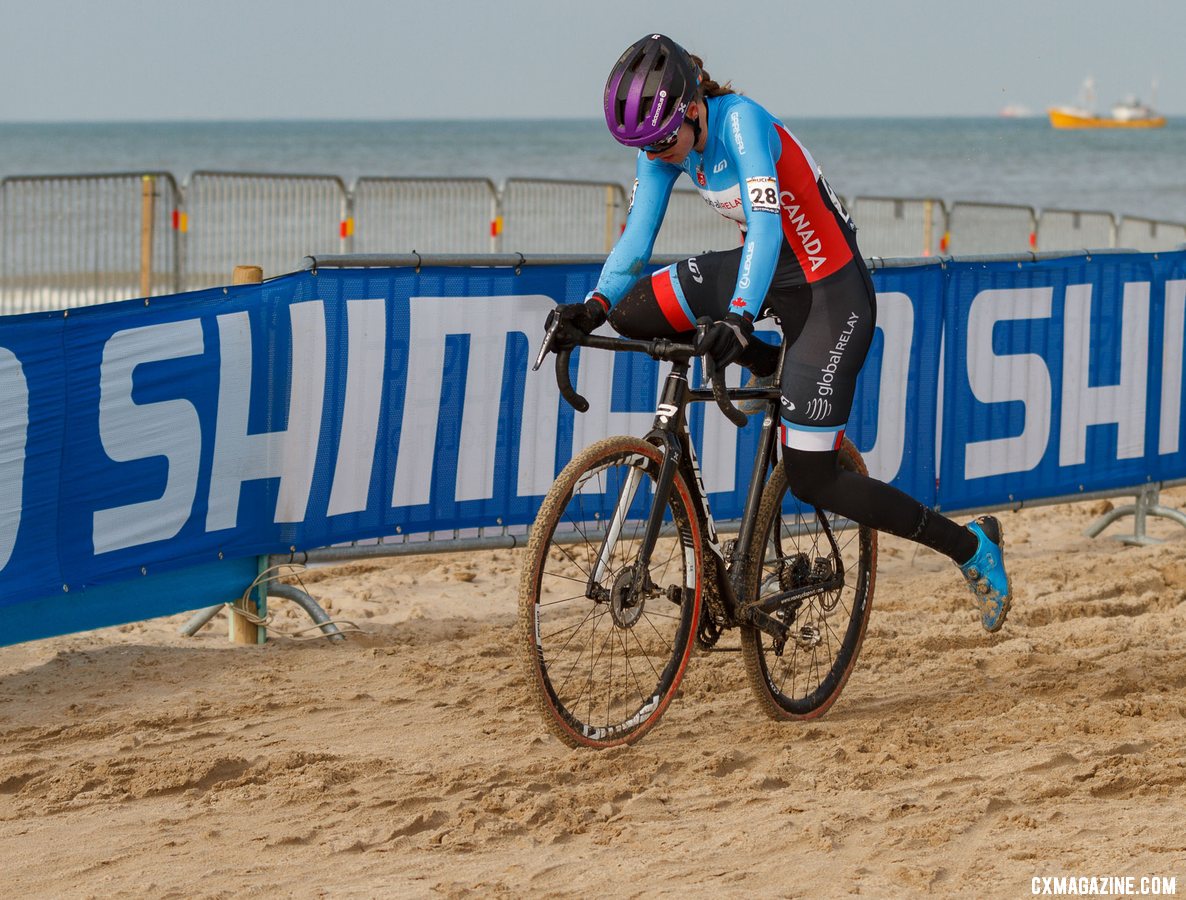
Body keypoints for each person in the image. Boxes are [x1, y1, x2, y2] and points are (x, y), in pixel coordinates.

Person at [548, 33, 1012, 631]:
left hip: (827, 289)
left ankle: (970, 547)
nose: (656, 153)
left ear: (692, 107)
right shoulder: (663, 145)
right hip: (765, 273)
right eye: (643, 145)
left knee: (812, 475)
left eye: (661, 139)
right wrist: (591, 307)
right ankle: (765, 359)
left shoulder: (742, 123)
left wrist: (738, 315)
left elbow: (766, 229)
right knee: (632, 310)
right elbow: (637, 238)